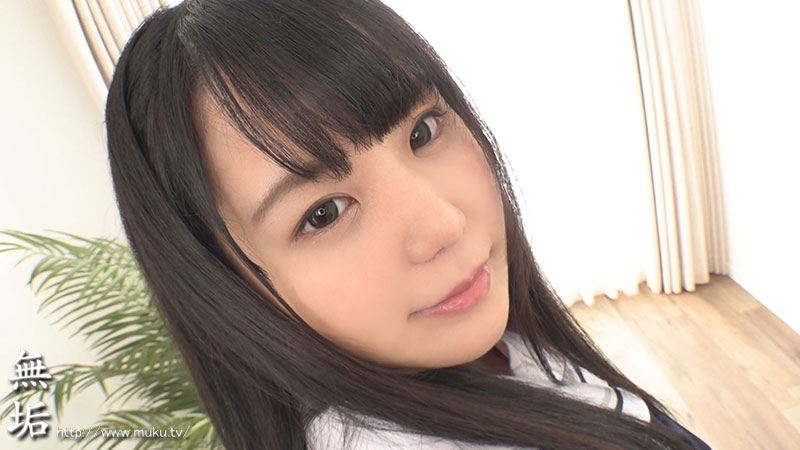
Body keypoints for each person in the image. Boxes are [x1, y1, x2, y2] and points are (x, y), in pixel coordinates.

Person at [104, 0, 712, 448]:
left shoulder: (482, 350)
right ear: (225, 286)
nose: (442, 223)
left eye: (422, 131)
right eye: (323, 214)